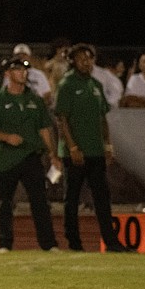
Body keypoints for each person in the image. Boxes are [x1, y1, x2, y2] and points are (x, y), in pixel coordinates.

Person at [54, 43, 131, 253]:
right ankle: (74, 242)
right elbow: (62, 119)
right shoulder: (67, 85)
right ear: (72, 62)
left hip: (96, 150)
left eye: (89, 58)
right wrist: (72, 147)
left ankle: (112, 242)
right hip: (76, 152)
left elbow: (102, 118)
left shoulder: (96, 85)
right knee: (72, 199)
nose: (86, 62)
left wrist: (107, 144)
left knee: (102, 199)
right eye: (81, 58)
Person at [0, 57, 61, 253]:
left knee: (40, 202)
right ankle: (4, 243)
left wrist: (53, 154)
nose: (23, 73)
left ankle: (49, 243)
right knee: (5, 203)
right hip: (6, 158)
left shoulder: (35, 100)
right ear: (8, 74)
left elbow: (45, 129)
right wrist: (6, 137)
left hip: (31, 156)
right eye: (18, 70)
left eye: (25, 70)